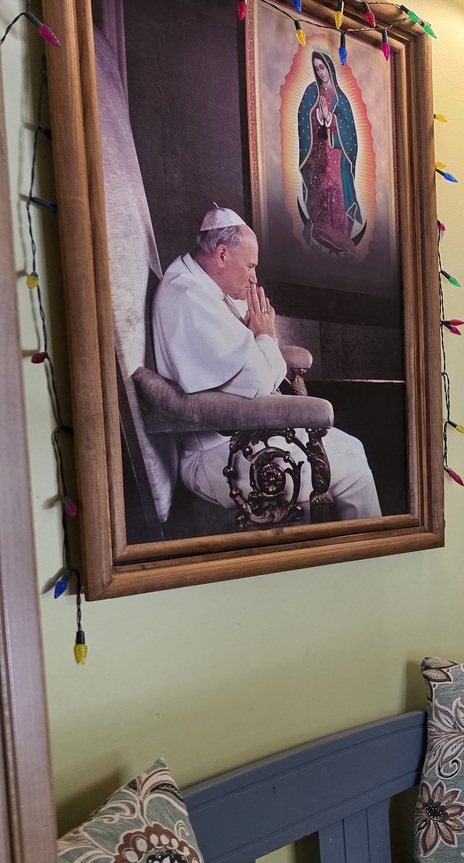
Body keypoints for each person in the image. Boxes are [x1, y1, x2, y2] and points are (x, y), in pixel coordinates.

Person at [151, 206, 381, 520]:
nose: (253, 277)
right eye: (250, 265)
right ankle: (363, 563)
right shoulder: (189, 298)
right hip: (218, 456)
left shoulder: (200, 284)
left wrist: (258, 339)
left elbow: (257, 371)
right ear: (221, 254)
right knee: (354, 474)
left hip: (242, 438)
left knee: (354, 447)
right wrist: (264, 334)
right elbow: (261, 383)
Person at [298, 50, 365, 253]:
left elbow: (350, 132)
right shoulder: (311, 91)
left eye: (322, 67)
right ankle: (321, 229)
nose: (320, 72)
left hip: (335, 154)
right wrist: (316, 117)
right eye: (317, 68)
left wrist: (330, 119)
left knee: (334, 191)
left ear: (330, 68)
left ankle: (339, 235)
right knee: (319, 192)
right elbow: (303, 116)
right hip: (316, 153)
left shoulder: (340, 98)